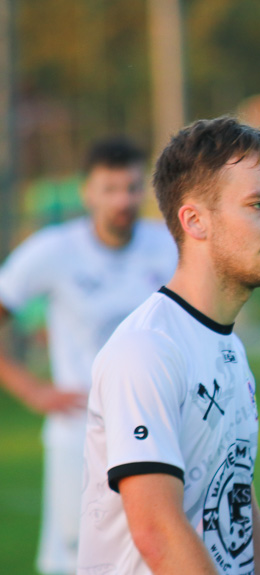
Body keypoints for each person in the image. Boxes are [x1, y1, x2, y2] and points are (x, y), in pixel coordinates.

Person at [77, 117, 260, 575]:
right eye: (259, 204)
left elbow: (239, 503)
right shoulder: (146, 349)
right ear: (195, 220)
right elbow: (157, 533)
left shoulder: (227, 347)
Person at [0, 136, 177, 575]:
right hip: (77, 436)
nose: (123, 199)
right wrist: (31, 389)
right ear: (87, 192)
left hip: (153, 431)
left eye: (133, 187)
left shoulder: (168, 246)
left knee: (155, 553)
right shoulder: (55, 250)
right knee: (75, 563)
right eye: (110, 189)